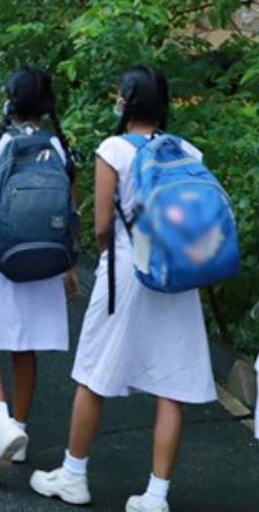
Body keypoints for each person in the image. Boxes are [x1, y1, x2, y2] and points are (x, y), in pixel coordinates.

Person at [30, 67, 215, 512]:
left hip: (127, 273)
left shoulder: (113, 149)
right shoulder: (188, 151)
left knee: (95, 373)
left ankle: (74, 474)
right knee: (172, 383)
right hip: (177, 273)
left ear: (127, 101)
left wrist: (111, 253)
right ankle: (156, 494)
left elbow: (101, 227)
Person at [0, 68, 79, 480]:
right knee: (24, 347)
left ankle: (3, 425)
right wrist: (68, 266)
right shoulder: (61, 147)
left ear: (10, 102)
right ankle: (22, 431)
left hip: (2, 258)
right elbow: (71, 212)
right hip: (46, 259)